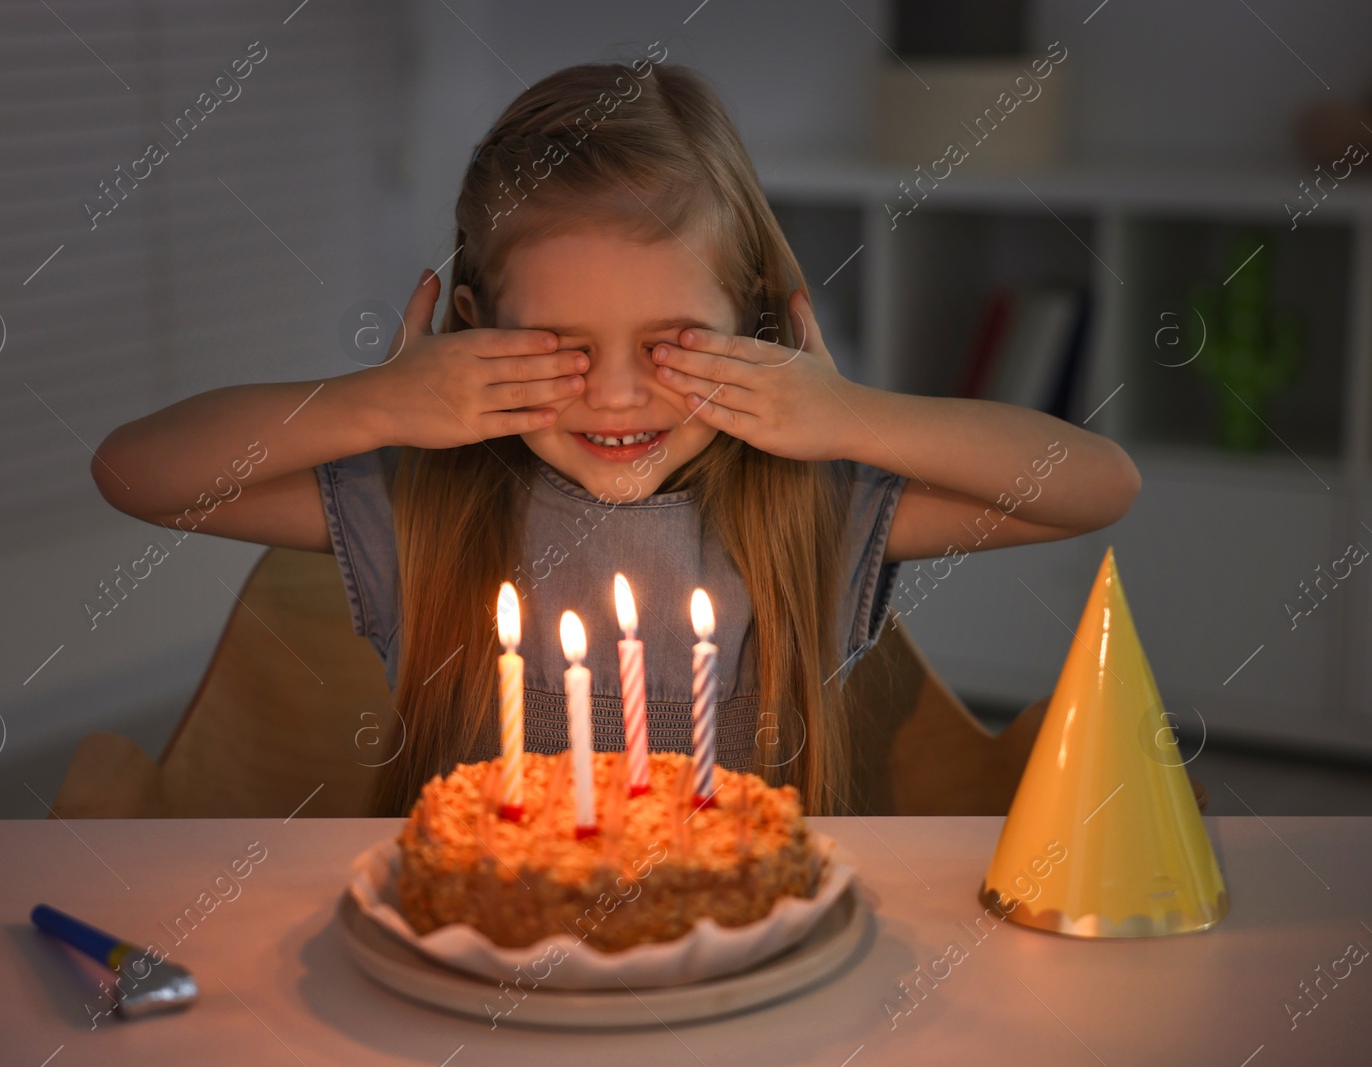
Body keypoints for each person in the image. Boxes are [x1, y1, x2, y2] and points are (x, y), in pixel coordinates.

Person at [93, 61, 1139, 817]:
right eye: (558, 346)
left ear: (757, 331)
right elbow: (136, 472)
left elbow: (1094, 484)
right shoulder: (422, 503)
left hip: (742, 969)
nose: (618, 393)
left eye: (673, 343)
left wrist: (848, 414)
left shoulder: (804, 503)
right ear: (475, 333)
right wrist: (378, 404)